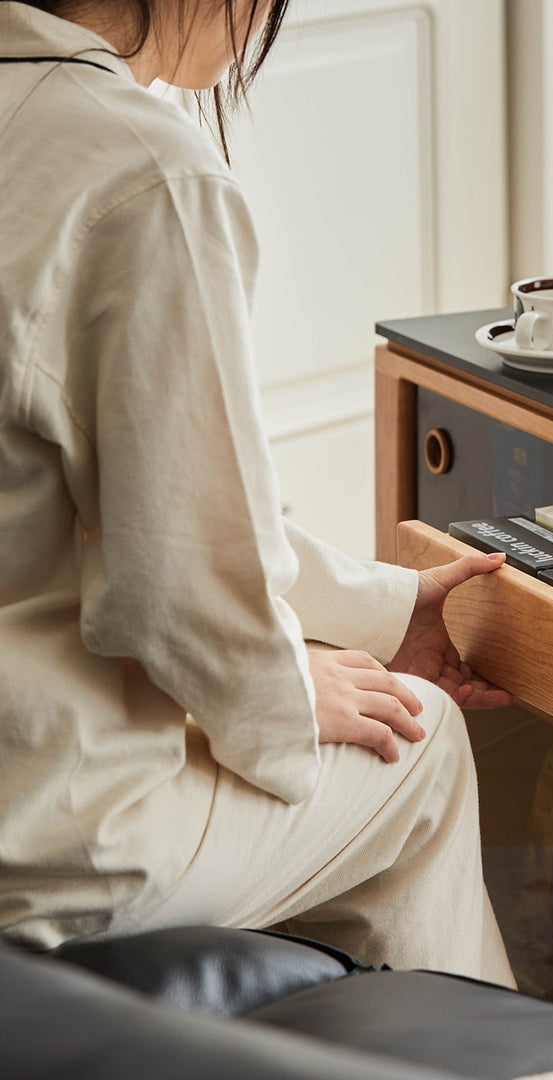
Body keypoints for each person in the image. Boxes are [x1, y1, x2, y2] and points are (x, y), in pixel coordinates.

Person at [0, 0, 516, 987]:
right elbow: (178, 584)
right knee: (422, 744)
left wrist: (382, 614)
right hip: (44, 831)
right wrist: (283, 693)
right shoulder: (143, 173)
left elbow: (187, 516)